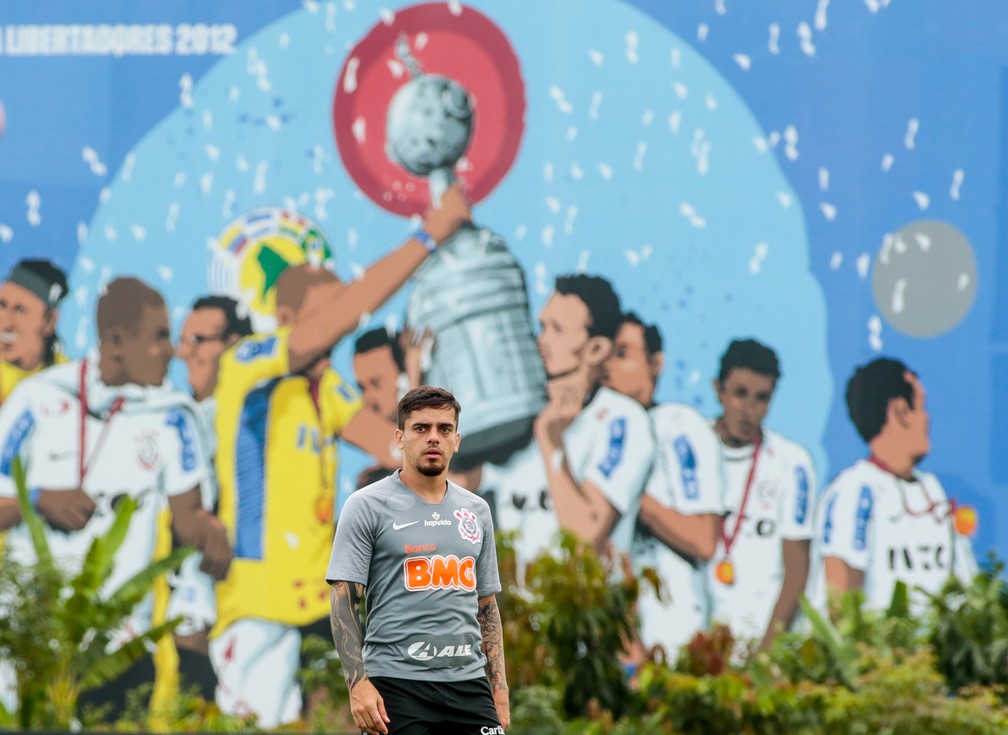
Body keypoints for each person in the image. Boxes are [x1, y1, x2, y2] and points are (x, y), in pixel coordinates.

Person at [207, 185, 471, 727]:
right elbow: (335, 322)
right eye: (326, 316)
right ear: (283, 315)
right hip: (257, 606)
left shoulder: (323, 388)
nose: (340, 327)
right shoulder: (247, 367)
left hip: (322, 607)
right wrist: (429, 235)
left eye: (341, 315)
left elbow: (391, 444)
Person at [0, 276, 232, 717]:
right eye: (159, 337)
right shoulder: (35, 400)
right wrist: (39, 498)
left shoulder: (174, 416)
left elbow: (187, 514)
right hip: (36, 647)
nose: (171, 352)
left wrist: (207, 529)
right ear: (117, 341)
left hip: (120, 651)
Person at [327, 385, 508, 735]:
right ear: (400, 437)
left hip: (469, 687)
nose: (433, 438)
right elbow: (343, 602)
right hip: (396, 685)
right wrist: (358, 684)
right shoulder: (365, 506)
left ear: (457, 439)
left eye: (444, 429)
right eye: (421, 428)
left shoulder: (477, 511)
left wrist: (498, 689)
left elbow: (486, 606)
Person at [480, 273, 655, 565]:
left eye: (557, 330)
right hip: (516, 609)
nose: (541, 341)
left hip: (583, 607)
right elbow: (453, 482)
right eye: (542, 327)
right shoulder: (519, 415)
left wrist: (551, 441)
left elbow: (584, 537)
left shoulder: (622, 422)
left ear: (596, 349)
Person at [812, 358, 977, 617]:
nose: (928, 418)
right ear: (900, 411)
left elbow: (968, 591)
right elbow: (840, 607)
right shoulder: (854, 490)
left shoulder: (932, 489)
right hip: (882, 655)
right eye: (922, 406)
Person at [601, 312, 723, 658]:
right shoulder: (589, 432)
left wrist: (624, 495)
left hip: (673, 634)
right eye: (604, 353)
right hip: (607, 638)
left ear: (656, 362)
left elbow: (702, 538)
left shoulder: (679, 426)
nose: (609, 365)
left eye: (623, 353)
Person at [163, 295, 253, 699]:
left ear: (233, 346)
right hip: (182, 614)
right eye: (183, 341)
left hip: (240, 612)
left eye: (198, 340)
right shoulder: (176, 415)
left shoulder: (253, 418)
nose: (185, 353)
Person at [706, 339, 816, 652]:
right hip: (692, 644)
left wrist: (765, 656)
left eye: (761, 398)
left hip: (757, 645)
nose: (748, 409)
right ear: (719, 390)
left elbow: (796, 572)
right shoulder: (690, 450)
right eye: (739, 393)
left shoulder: (791, 463)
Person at [352, 326, 432, 488]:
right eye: (362, 388)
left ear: (404, 377)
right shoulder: (371, 481)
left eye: (376, 383)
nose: (367, 398)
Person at [0, 258, 68, 402]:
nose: (6, 323)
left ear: (49, 321)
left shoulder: (68, 378)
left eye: (20, 310)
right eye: (2, 305)